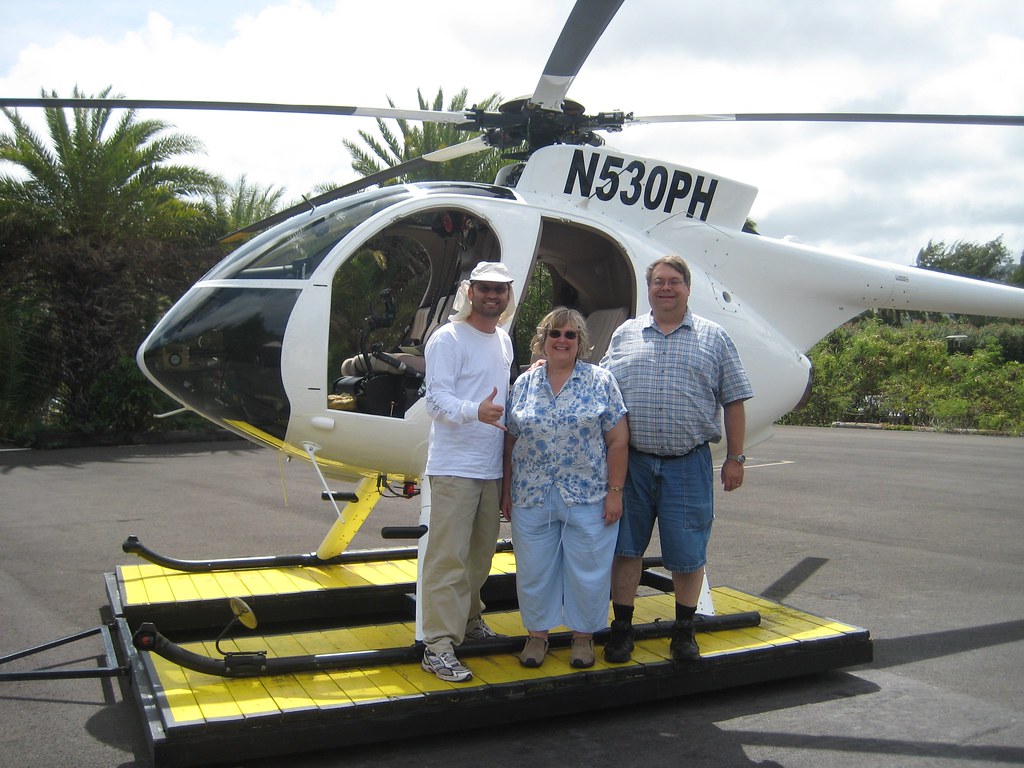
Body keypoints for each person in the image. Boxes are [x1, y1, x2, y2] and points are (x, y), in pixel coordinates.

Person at [600, 255, 753, 663]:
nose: (665, 288)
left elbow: (734, 400)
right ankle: (622, 629)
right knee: (626, 550)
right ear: (648, 289)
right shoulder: (625, 334)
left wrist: (736, 457)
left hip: (688, 464)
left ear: (687, 288)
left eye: (673, 281)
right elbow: (598, 389)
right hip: (631, 465)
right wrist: (550, 366)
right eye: (657, 282)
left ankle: (684, 631)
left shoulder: (714, 337)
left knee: (687, 554)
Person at [501, 308, 628, 669]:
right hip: (532, 494)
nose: (562, 340)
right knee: (534, 569)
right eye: (555, 333)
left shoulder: (601, 381)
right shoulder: (524, 384)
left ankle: (583, 638)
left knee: (588, 569)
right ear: (543, 339)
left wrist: (615, 492)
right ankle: (537, 637)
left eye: (571, 335)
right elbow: (511, 442)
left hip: (587, 494)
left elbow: (618, 439)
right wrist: (507, 492)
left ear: (581, 342)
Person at [419, 261, 516, 683]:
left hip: (490, 468)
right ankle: (438, 644)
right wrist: (474, 410)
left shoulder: (504, 341)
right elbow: (435, 400)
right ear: (470, 292)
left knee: (480, 556)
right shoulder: (448, 337)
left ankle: (470, 621)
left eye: (500, 290)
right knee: (448, 558)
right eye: (485, 289)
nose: (493, 296)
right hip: (455, 467)